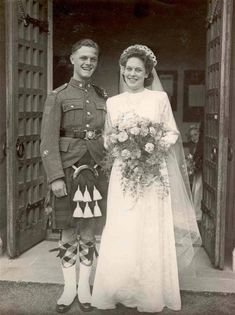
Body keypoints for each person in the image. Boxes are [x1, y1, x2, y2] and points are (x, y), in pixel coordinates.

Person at [91, 45, 201, 313]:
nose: (132, 73)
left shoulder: (159, 99)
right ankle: (118, 287)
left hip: (152, 173)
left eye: (138, 70)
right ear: (122, 71)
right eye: (128, 69)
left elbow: (172, 133)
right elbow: (107, 138)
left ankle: (150, 291)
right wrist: (121, 147)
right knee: (122, 225)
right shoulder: (112, 103)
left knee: (148, 226)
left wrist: (150, 148)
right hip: (124, 174)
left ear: (147, 73)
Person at [40, 39, 108, 313]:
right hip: (68, 169)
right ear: (72, 59)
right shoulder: (58, 96)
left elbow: (105, 135)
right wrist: (55, 176)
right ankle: (69, 288)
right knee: (68, 229)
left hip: (95, 170)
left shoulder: (101, 95)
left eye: (92, 58)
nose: (88, 62)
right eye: (83, 58)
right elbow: (47, 141)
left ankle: (84, 287)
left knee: (90, 230)